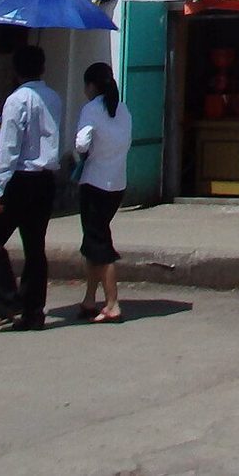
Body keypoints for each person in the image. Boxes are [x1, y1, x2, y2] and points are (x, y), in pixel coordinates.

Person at [0, 44, 63, 333]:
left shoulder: (16, 100)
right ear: (43, 68)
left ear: (16, 71)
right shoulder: (53, 97)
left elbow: (9, 148)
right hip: (45, 179)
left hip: (20, 178)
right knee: (35, 247)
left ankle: (8, 303)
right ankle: (33, 311)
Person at [73, 61, 132, 324]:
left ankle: (112, 303)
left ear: (91, 86)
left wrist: (86, 152)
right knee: (92, 242)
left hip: (94, 182)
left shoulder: (91, 109)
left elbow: (81, 143)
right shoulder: (123, 109)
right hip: (117, 183)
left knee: (100, 243)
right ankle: (89, 298)